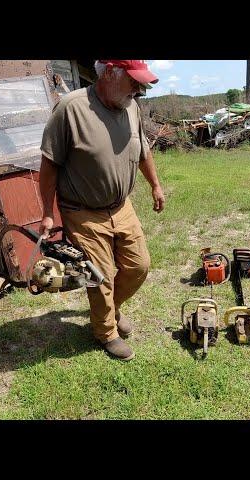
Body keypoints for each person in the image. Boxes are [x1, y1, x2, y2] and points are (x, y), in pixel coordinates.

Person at [39, 60, 165, 361]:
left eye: (140, 82)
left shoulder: (132, 107)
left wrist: (155, 186)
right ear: (109, 72)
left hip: (121, 207)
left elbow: (143, 151)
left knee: (139, 266)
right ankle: (106, 331)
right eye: (133, 81)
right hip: (83, 211)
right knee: (102, 275)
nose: (139, 89)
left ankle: (112, 307)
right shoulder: (71, 109)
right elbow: (49, 165)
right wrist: (47, 212)